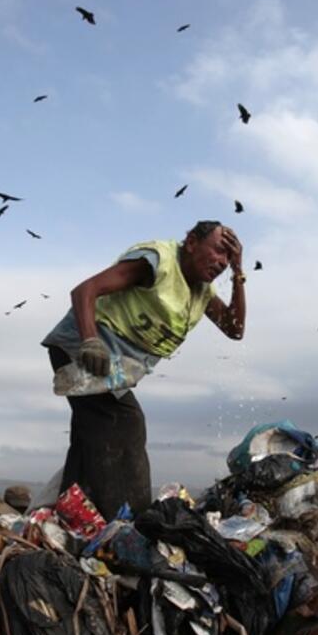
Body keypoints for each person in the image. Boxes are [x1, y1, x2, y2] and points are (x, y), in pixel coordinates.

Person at [42, 220, 245, 519]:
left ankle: (69, 514)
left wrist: (240, 273)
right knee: (126, 424)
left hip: (116, 370)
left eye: (229, 258)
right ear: (191, 242)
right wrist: (90, 341)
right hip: (82, 350)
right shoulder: (157, 262)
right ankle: (129, 523)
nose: (222, 262)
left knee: (91, 438)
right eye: (218, 250)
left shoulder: (201, 292)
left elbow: (235, 328)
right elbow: (85, 290)